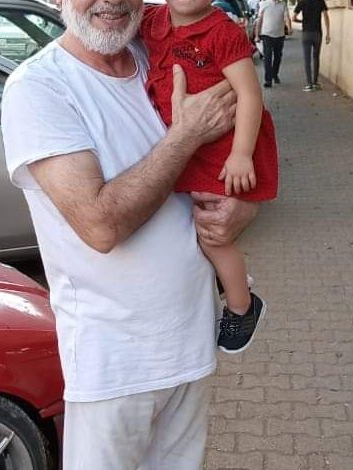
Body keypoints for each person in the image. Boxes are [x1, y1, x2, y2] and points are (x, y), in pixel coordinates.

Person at [0, 0, 259, 467]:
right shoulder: (40, 88)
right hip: (114, 364)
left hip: (191, 341)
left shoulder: (158, 48)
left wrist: (243, 206)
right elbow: (101, 225)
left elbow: (240, 124)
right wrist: (186, 135)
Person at [141, 0, 278, 354]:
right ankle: (226, 280)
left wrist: (241, 154)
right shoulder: (151, 20)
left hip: (221, 153)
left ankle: (242, 307)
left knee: (213, 235)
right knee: (188, 226)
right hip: (190, 148)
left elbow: (249, 94)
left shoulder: (222, 32)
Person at [293, 0, 330, 91]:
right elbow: (326, 17)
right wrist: (328, 33)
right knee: (316, 58)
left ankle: (309, 84)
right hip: (317, 33)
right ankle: (315, 83)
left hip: (306, 33)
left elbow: (293, 18)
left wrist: (302, 21)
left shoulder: (302, 2)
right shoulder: (320, 1)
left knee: (307, 59)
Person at [254, 0, 291, 87]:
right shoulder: (264, 4)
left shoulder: (283, 4)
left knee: (278, 56)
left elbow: (286, 17)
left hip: (280, 35)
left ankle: (274, 74)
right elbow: (259, 20)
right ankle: (268, 80)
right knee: (268, 57)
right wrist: (257, 35)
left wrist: (289, 28)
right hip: (266, 35)